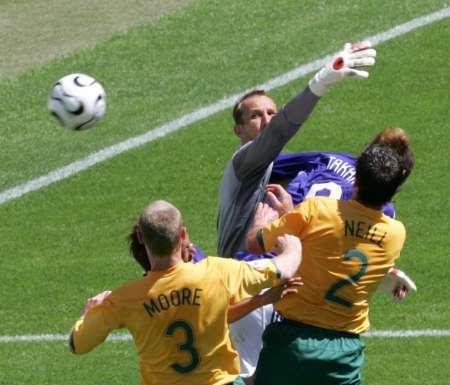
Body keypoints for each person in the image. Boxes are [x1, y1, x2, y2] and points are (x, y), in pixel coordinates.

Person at [246, 128, 415, 385]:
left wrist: (266, 221)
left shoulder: (317, 210)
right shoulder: (395, 234)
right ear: (394, 192)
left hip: (292, 341)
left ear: (356, 180)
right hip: (343, 352)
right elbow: (346, 257)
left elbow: (256, 245)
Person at [69, 200, 303, 385]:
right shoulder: (217, 272)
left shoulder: (122, 299)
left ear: (141, 237)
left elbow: (77, 345)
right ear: (182, 235)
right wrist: (293, 243)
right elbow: (283, 268)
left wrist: (87, 315)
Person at [217, 41, 377, 258]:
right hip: (238, 282)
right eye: (255, 115)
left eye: (271, 113)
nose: (267, 120)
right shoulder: (243, 164)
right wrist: (320, 83)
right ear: (239, 131)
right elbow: (278, 132)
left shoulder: (275, 169)